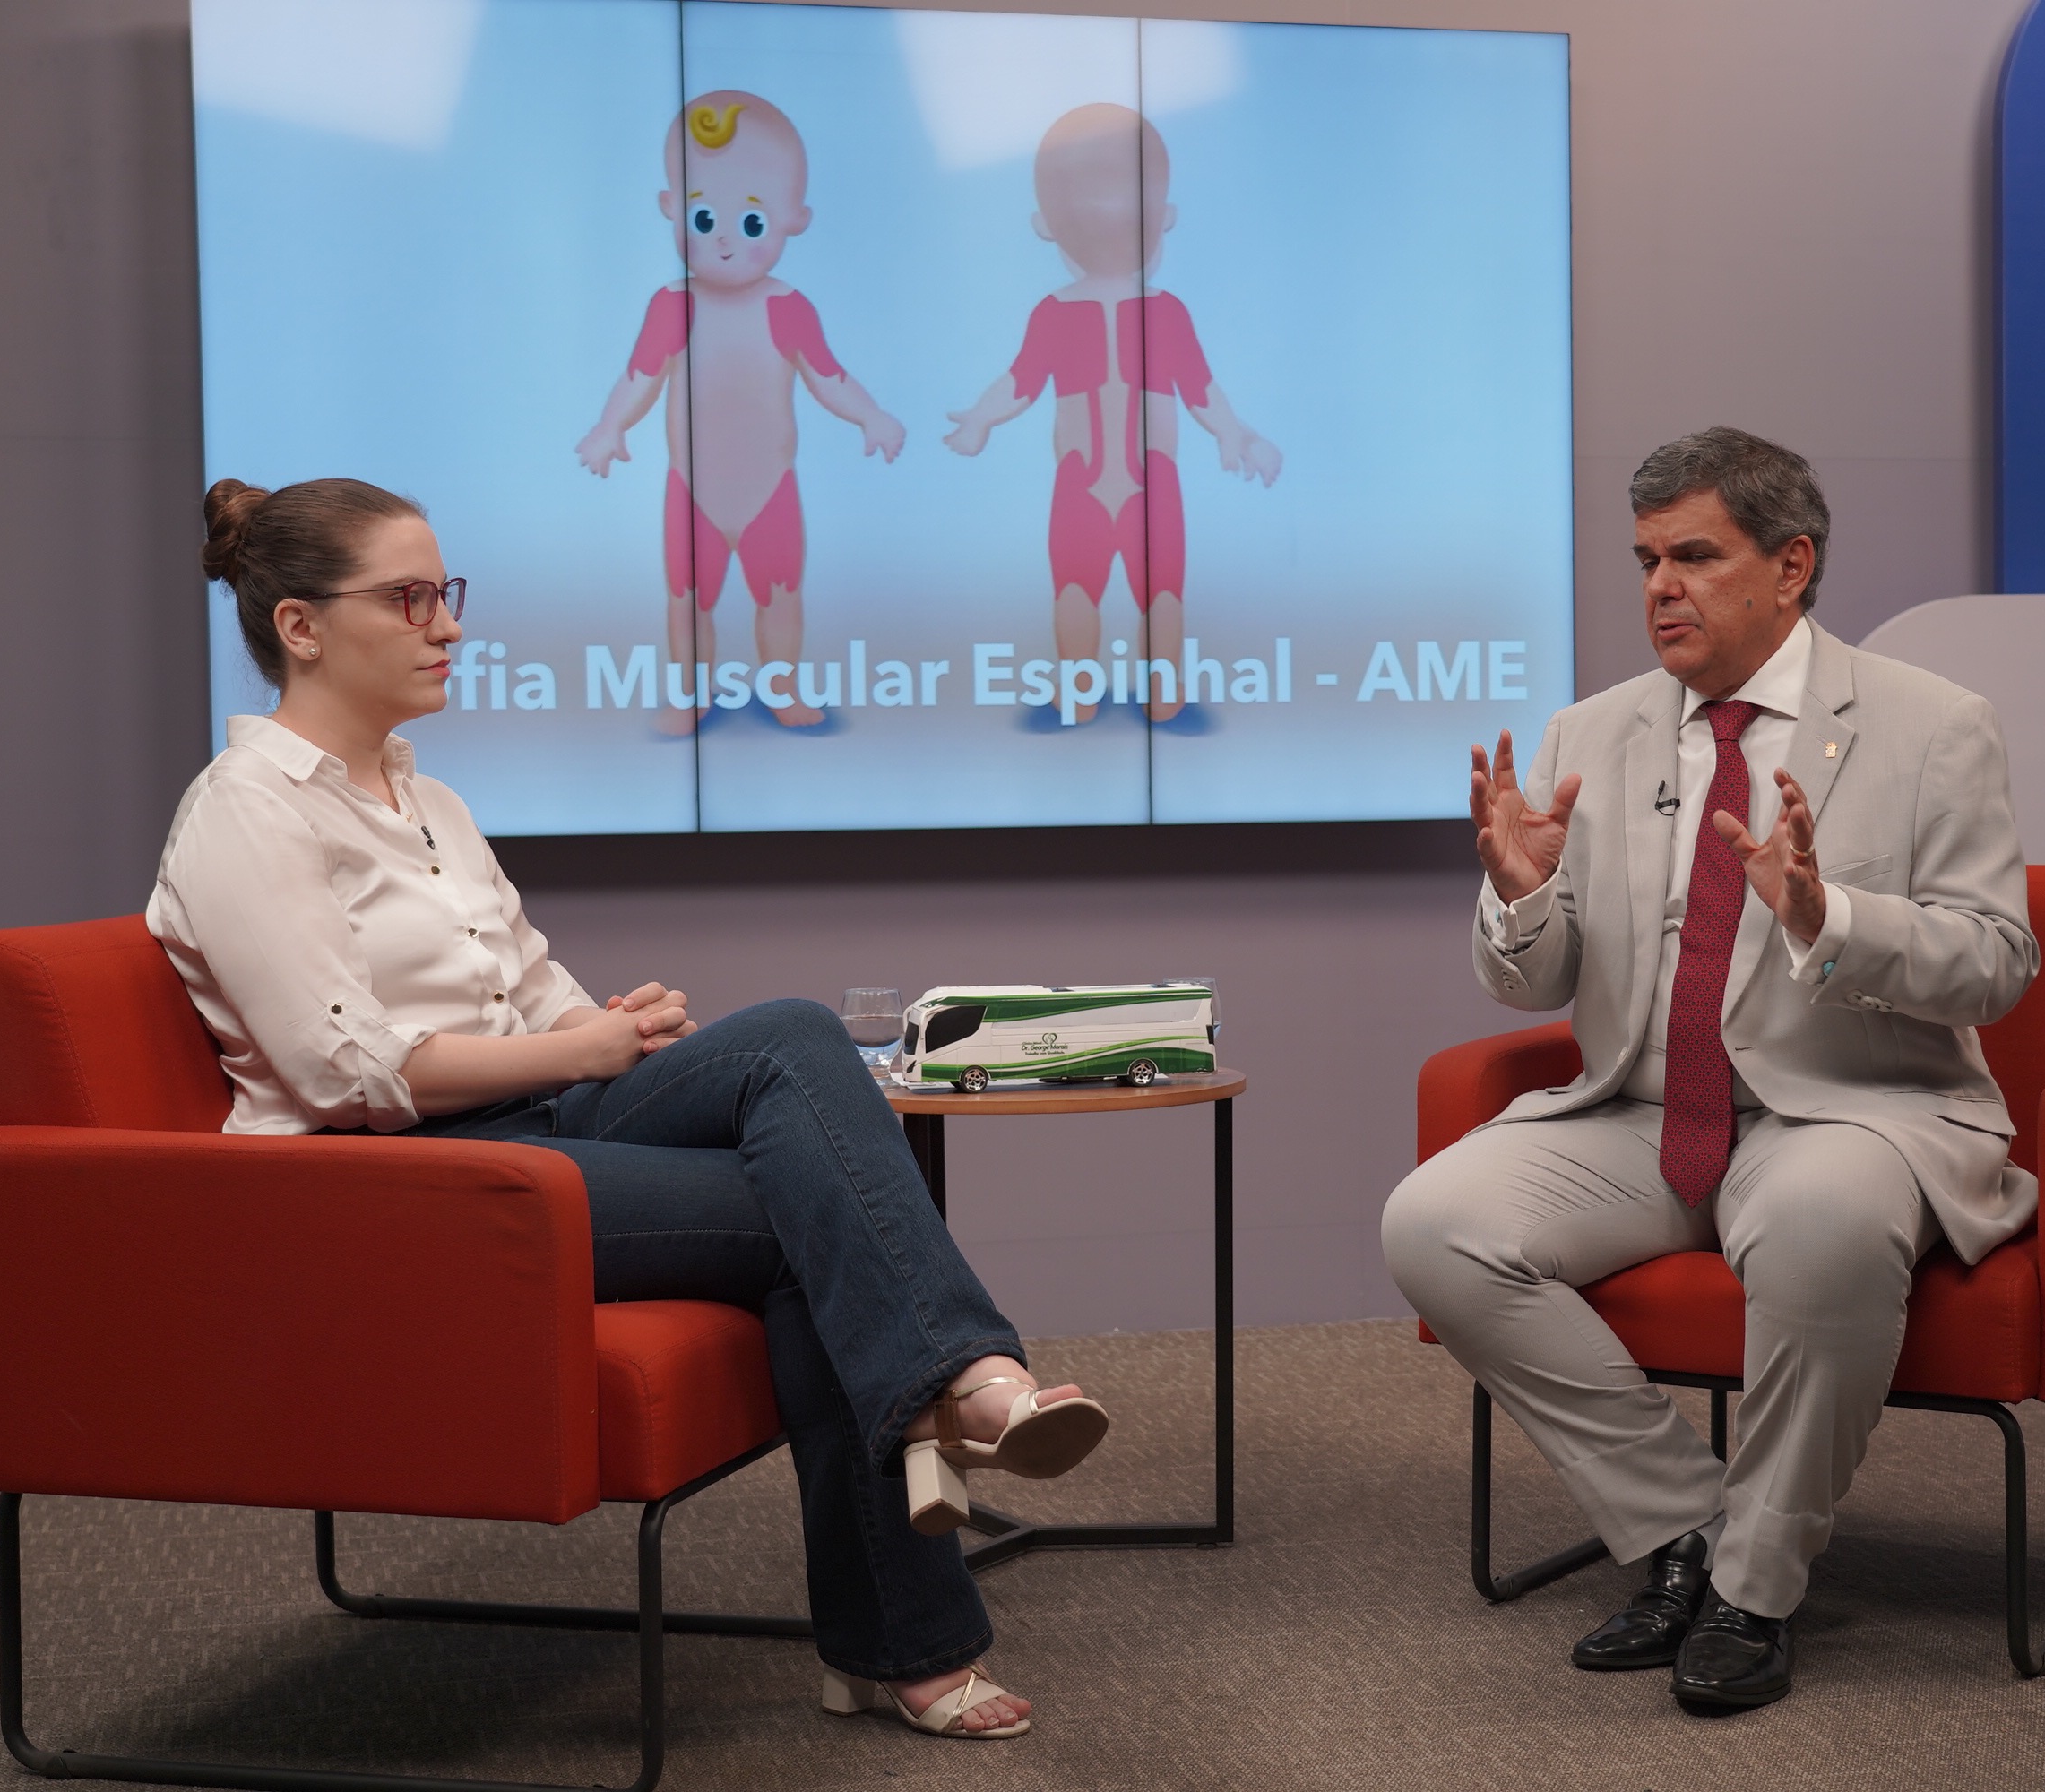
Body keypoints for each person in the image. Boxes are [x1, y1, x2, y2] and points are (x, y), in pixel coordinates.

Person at [151, 476, 1102, 1741]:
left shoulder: (426, 799)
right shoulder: (246, 809)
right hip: (396, 1181)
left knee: (793, 1036)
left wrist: (608, 1027)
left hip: (531, 1121)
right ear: (301, 626)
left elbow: (528, 983)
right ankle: (928, 1535)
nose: (448, 624)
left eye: (448, 593)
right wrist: (578, 1048)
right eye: (411, 598)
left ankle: (964, 1389)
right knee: (810, 1218)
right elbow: (345, 1072)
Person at [1381, 427, 2037, 1710]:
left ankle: (1755, 1585)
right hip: (1643, 1111)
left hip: (1848, 1109)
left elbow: (1996, 963)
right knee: (1433, 1222)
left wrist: (1829, 918)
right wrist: (1519, 896)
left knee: (1823, 1220)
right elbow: (1532, 982)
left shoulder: (1928, 725)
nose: (1660, 587)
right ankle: (1682, 1525)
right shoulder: (1592, 730)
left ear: (1790, 565)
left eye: (1693, 556)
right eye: (1644, 561)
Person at [575, 92, 905, 731]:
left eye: (751, 223)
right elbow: (641, 376)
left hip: (769, 491)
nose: (724, 238)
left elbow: (829, 377)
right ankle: (691, 694)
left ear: (794, 219)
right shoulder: (673, 305)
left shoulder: (787, 307)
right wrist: (609, 426)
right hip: (693, 490)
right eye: (703, 218)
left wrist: (871, 416)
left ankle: (782, 688)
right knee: (687, 600)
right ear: (671, 207)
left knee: (780, 595)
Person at [944, 103, 1280, 725]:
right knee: (1075, 589)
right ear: (1047, 225)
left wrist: (1236, 436)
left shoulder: (1168, 313)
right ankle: (1078, 688)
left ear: (1164, 215)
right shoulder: (1053, 313)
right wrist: (981, 418)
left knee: (1163, 594)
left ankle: (1163, 691)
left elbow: (1200, 388)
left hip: (1155, 486)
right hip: (1081, 484)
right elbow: (1021, 380)